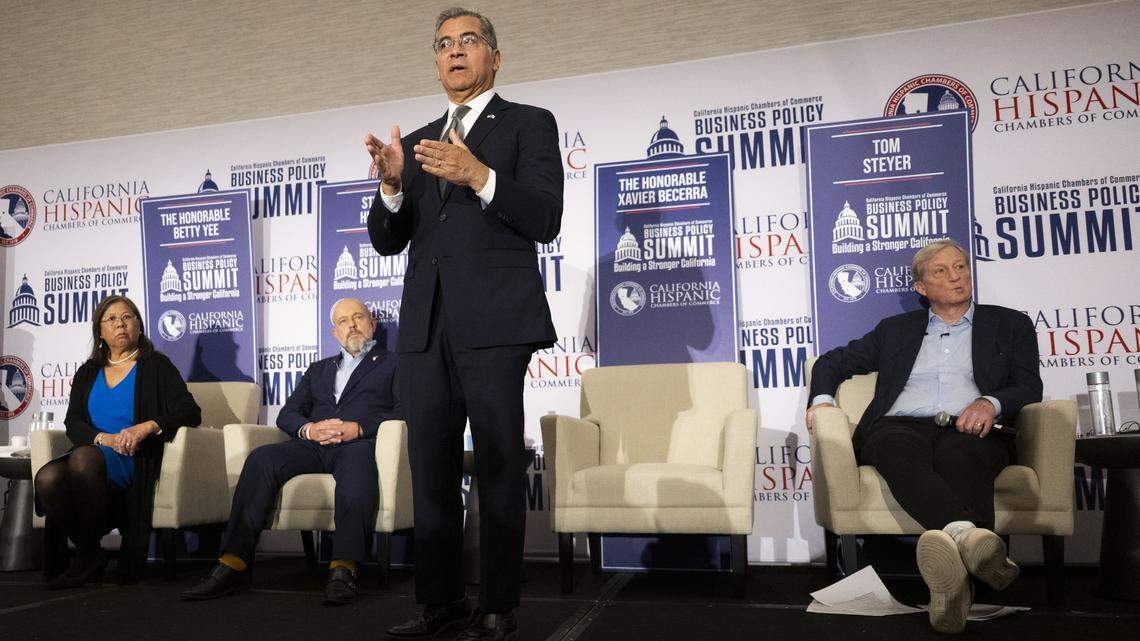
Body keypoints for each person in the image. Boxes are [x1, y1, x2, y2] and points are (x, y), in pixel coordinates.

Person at [364, 7, 562, 640]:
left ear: (494, 57)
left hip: (496, 323)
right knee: (431, 466)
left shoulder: (528, 125)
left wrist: (477, 174)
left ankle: (499, 605)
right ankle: (439, 601)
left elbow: (544, 217)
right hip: (425, 327)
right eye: (443, 44)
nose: (454, 52)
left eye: (468, 41)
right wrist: (393, 188)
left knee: (499, 462)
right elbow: (389, 243)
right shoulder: (419, 140)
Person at [807, 239, 1042, 634]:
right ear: (921, 287)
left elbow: (1028, 386)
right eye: (941, 271)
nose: (956, 276)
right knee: (896, 449)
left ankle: (952, 589)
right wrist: (822, 399)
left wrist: (990, 403)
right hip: (900, 425)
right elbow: (833, 361)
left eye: (961, 267)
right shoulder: (895, 330)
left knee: (961, 456)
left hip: (971, 426)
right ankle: (972, 543)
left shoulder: (1009, 324)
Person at [182, 298, 399, 605]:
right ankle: (234, 564)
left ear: (372, 324)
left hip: (358, 444)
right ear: (334, 332)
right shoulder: (319, 369)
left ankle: (344, 568)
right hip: (313, 445)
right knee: (261, 459)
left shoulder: (394, 364)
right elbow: (288, 413)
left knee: (357, 467)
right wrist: (310, 429)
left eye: (359, 317)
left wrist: (359, 428)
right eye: (343, 321)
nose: (351, 325)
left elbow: (406, 411)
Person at [33, 295, 202, 587]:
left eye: (128, 317)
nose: (120, 324)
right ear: (100, 331)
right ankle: (91, 553)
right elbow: (73, 423)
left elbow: (190, 411)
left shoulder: (156, 366)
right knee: (47, 478)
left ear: (138, 325)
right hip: (95, 452)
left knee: (82, 459)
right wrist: (102, 438)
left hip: (133, 457)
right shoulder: (88, 372)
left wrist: (147, 427)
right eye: (111, 319)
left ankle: (87, 559)